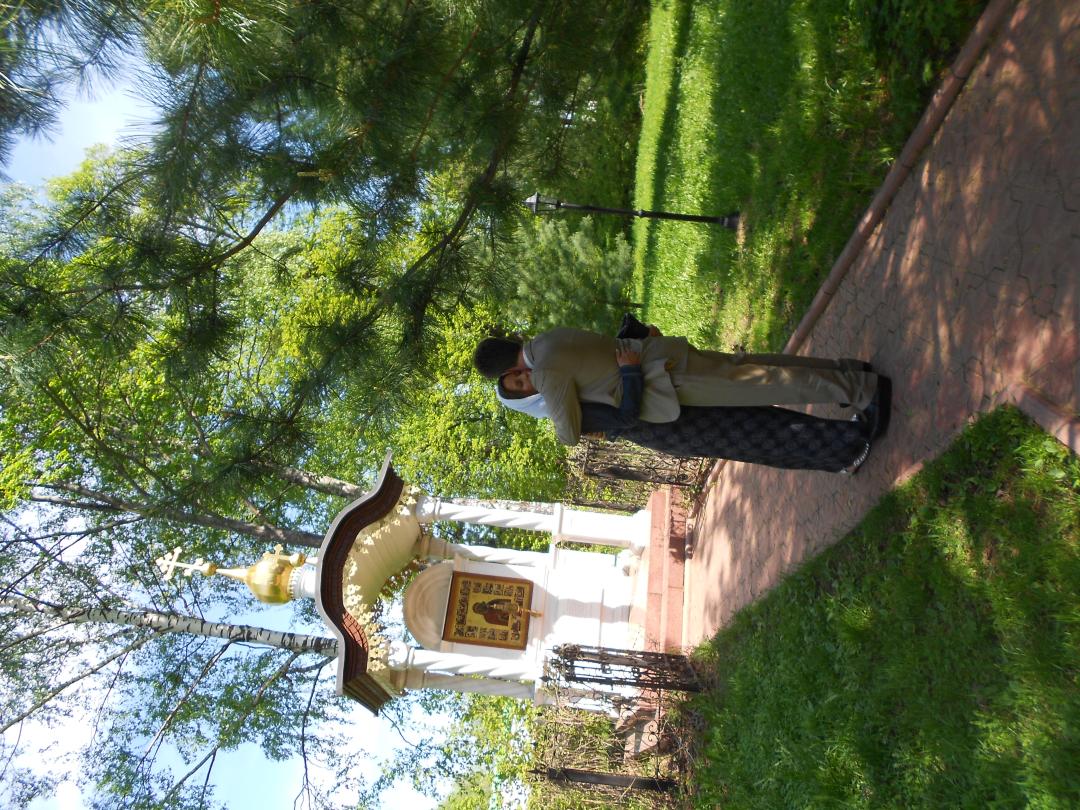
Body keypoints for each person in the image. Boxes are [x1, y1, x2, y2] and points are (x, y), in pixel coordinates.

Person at [474, 326, 889, 447]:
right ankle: (848, 372)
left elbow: (567, 435)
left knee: (761, 383)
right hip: (662, 356)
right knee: (756, 366)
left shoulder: (546, 372)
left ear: (504, 369)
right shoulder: (546, 339)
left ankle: (862, 391)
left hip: (666, 381)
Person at [496, 353, 874, 474]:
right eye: (520, 386)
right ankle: (848, 447)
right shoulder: (565, 408)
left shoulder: (564, 395)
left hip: (675, 419)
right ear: (525, 400)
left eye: (519, 377)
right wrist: (629, 371)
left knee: (760, 425)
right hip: (670, 426)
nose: (526, 379)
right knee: (763, 433)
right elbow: (624, 418)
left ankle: (842, 449)